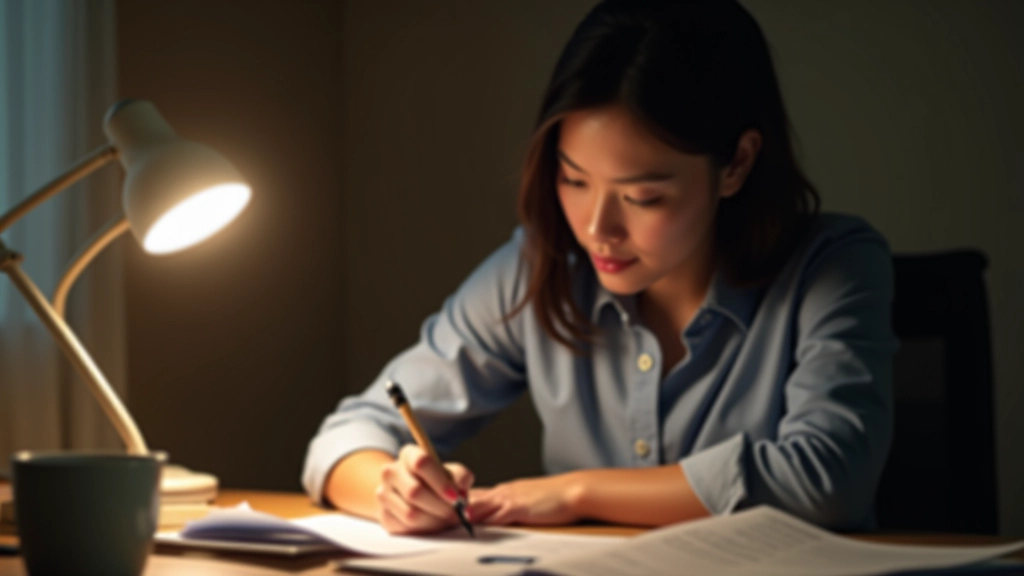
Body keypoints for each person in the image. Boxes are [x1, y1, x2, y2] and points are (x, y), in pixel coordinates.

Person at [303, 0, 897, 535]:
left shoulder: (834, 265)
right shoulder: (540, 267)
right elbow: (346, 437)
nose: (596, 229)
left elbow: (828, 477)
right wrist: (397, 489)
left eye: (643, 197)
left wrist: (576, 491)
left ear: (736, 164)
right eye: (573, 180)